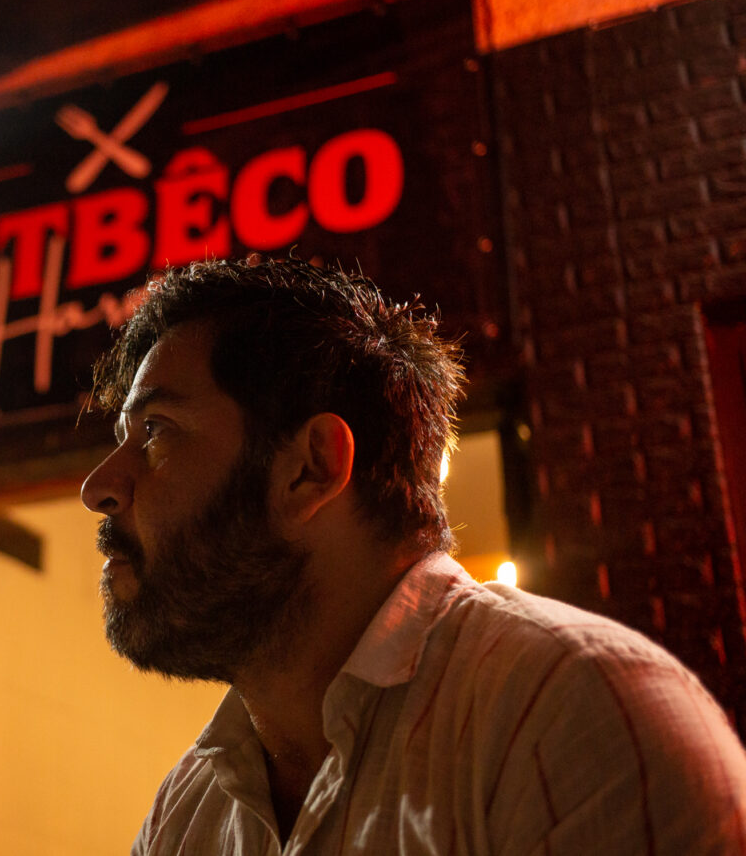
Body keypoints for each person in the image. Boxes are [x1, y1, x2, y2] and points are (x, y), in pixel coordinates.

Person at [80, 257, 746, 855]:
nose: (99, 487)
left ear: (312, 468)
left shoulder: (573, 719)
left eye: (156, 431)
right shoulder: (187, 815)